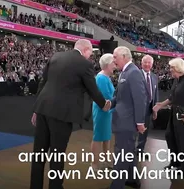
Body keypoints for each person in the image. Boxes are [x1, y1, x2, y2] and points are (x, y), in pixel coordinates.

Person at [30, 39, 111, 189]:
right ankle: (55, 186)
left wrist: (36, 109)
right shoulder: (85, 64)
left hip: (43, 109)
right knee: (57, 154)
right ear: (86, 50)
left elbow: (43, 82)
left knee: (39, 153)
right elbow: (92, 89)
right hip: (62, 114)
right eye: (90, 53)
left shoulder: (56, 56)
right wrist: (104, 104)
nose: (90, 56)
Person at [109, 46, 147, 189]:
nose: (113, 60)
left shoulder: (133, 73)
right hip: (122, 120)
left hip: (127, 122)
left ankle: (116, 186)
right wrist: (109, 104)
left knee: (122, 154)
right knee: (128, 151)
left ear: (124, 57)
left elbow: (140, 99)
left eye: (115, 57)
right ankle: (132, 180)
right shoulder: (124, 73)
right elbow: (119, 97)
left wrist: (140, 122)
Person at [153, 58, 184, 180]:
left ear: (178, 68)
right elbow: (171, 98)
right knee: (170, 136)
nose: (170, 69)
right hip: (174, 112)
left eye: (172, 67)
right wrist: (160, 104)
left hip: (183, 113)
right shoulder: (176, 80)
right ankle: (175, 162)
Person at [91, 53, 116, 170]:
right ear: (107, 64)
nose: (115, 66)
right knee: (98, 137)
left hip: (107, 111)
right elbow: (106, 96)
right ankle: (94, 163)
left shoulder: (106, 77)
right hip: (102, 111)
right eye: (113, 63)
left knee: (106, 137)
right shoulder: (101, 78)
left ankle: (108, 161)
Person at [136, 55, 159, 160]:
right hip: (136, 108)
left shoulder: (154, 77)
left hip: (148, 109)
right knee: (134, 130)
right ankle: (130, 150)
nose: (146, 64)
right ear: (141, 63)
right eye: (145, 62)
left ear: (152, 64)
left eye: (149, 62)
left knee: (144, 131)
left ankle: (140, 150)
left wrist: (155, 109)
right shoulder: (136, 75)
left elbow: (155, 94)